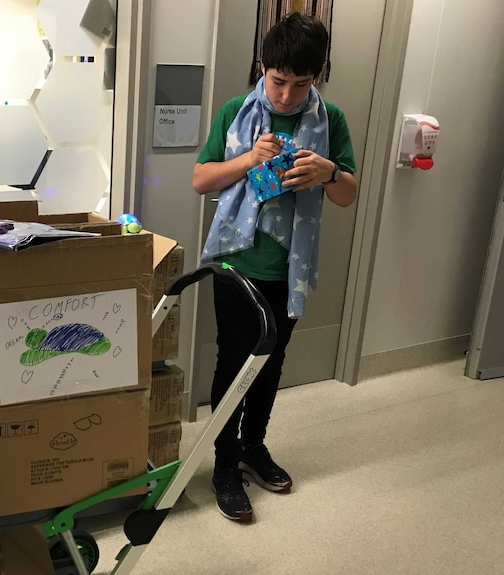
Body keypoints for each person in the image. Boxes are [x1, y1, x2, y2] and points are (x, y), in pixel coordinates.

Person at [192, 12, 357, 522]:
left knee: (270, 363)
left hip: (289, 268)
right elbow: (201, 180)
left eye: (300, 84)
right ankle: (223, 465)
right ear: (264, 67)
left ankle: (252, 447)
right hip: (235, 264)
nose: (286, 96)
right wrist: (248, 160)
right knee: (232, 362)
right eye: (278, 81)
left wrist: (329, 171)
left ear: (317, 77)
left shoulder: (331, 122)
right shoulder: (235, 112)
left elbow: (349, 196)